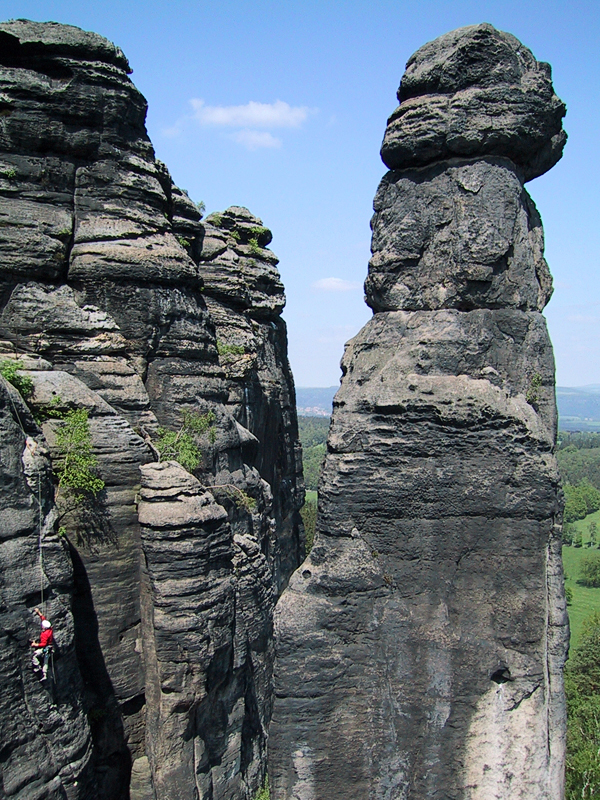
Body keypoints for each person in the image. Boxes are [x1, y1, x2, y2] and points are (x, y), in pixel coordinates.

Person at [31, 607, 53, 680]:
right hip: (50, 648)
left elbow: (43, 644)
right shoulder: (50, 629)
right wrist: (39, 612)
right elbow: (44, 619)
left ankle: (37, 667)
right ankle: (45, 675)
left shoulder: (45, 634)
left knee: (34, 655)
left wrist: (35, 645)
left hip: (45, 648)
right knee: (45, 662)